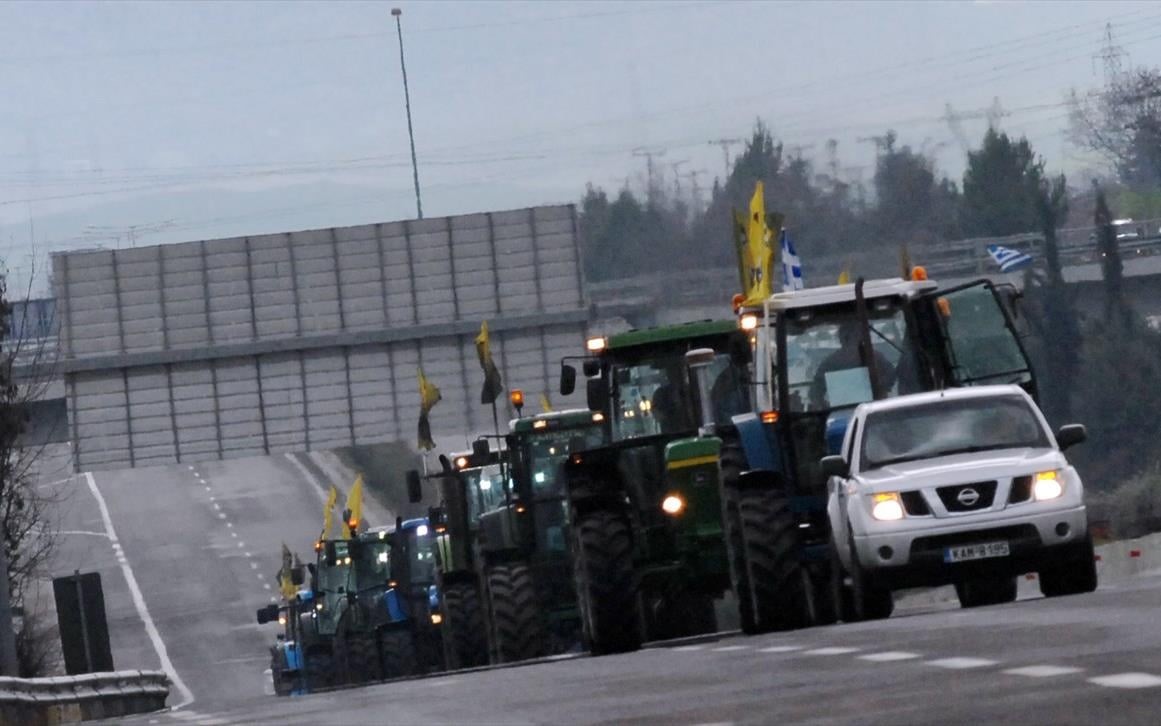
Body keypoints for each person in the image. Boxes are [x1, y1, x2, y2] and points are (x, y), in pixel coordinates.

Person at [809, 320, 896, 409]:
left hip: (874, 410)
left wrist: (880, 388)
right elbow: (815, 391)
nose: (856, 338)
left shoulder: (875, 357)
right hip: (844, 413)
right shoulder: (830, 363)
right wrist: (825, 407)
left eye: (857, 335)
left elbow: (891, 375)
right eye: (853, 335)